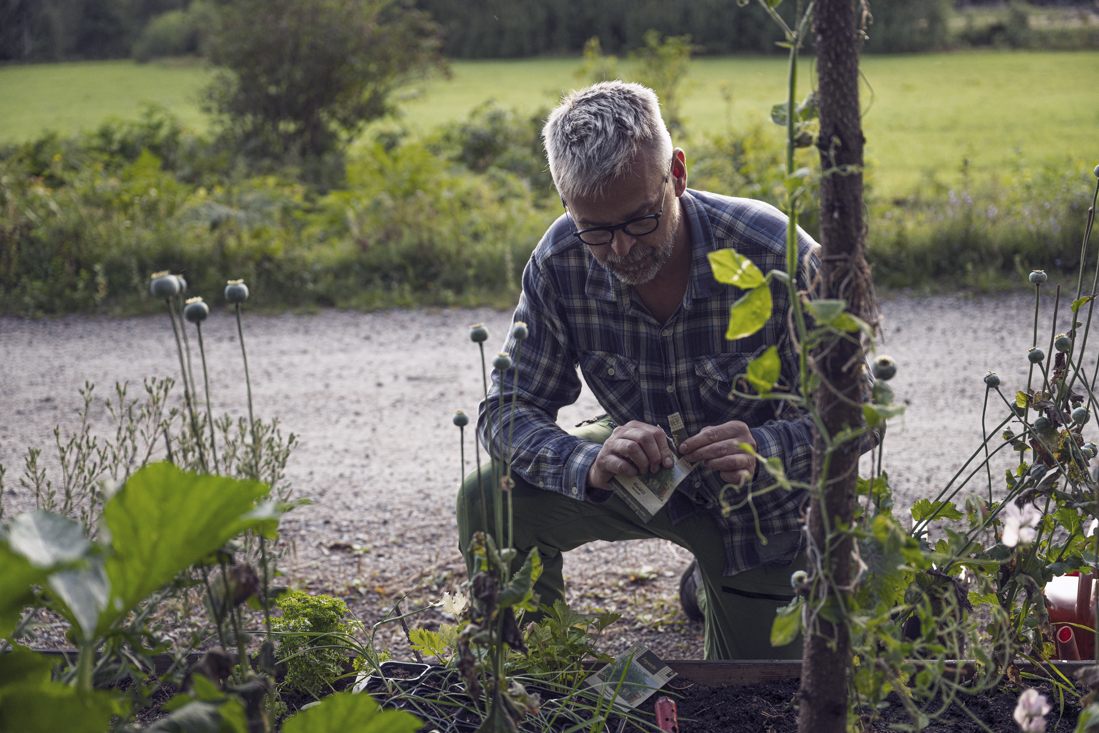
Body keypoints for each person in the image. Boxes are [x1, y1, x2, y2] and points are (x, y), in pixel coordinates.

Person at [456, 80, 821, 660]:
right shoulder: (560, 260)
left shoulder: (773, 251)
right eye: (596, 230)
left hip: (760, 510)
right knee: (487, 499)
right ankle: (535, 673)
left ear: (676, 174)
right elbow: (506, 410)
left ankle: (717, 586)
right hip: (645, 478)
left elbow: (857, 414)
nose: (621, 249)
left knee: (756, 699)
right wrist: (588, 461)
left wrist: (767, 448)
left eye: (640, 221)